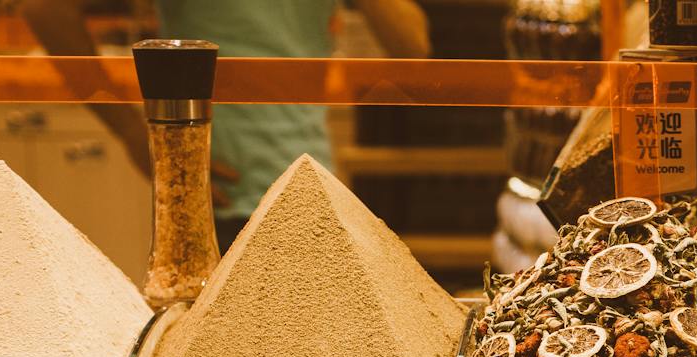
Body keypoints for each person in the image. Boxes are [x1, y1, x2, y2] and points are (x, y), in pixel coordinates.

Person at [22, 0, 430, 246]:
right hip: (213, 197)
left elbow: (413, 46)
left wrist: (132, 132)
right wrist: (131, 131)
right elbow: (45, 10)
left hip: (310, 192)